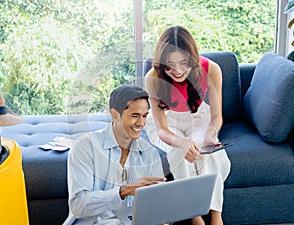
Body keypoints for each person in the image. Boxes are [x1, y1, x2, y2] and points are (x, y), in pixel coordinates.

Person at [144, 26, 231, 225]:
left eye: (184, 63)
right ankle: (195, 215)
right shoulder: (152, 78)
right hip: (168, 120)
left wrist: (211, 133)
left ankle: (216, 215)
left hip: (198, 116)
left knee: (210, 153)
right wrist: (182, 143)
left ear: (192, 57)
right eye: (170, 65)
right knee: (178, 153)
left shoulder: (212, 69)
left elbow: (217, 117)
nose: (178, 71)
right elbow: (162, 130)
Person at [63, 85, 166, 225]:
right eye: (135, 116)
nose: (141, 123)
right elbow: (78, 206)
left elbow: (157, 203)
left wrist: (162, 216)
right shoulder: (85, 147)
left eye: (145, 116)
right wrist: (123, 191)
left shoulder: (150, 153)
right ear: (115, 114)